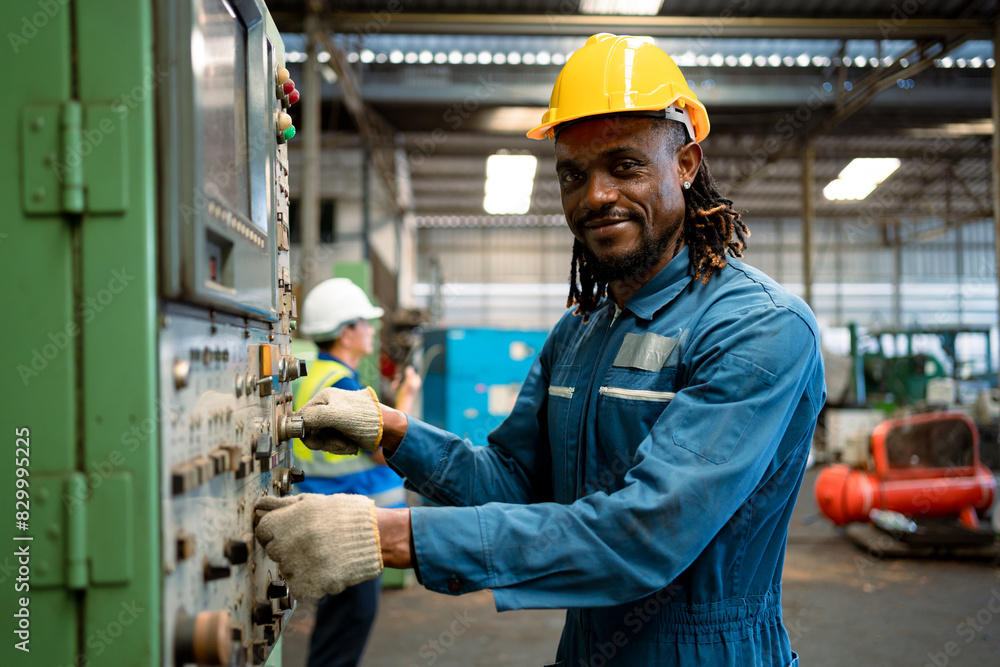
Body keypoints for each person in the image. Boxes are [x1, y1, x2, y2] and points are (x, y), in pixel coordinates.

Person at [257, 34, 826, 666]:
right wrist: (392, 431)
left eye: (625, 166)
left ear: (686, 165)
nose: (596, 195)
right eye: (573, 175)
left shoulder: (758, 329)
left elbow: (646, 535)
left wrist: (387, 535)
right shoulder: (581, 330)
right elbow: (511, 483)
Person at [291, 277, 421, 667]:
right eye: (365, 323)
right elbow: (386, 453)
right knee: (348, 625)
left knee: (338, 624)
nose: (371, 330)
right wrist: (406, 400)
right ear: (347, 332)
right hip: (353, 525)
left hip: (330, 515)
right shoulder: (343, 387)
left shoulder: (314, 376)